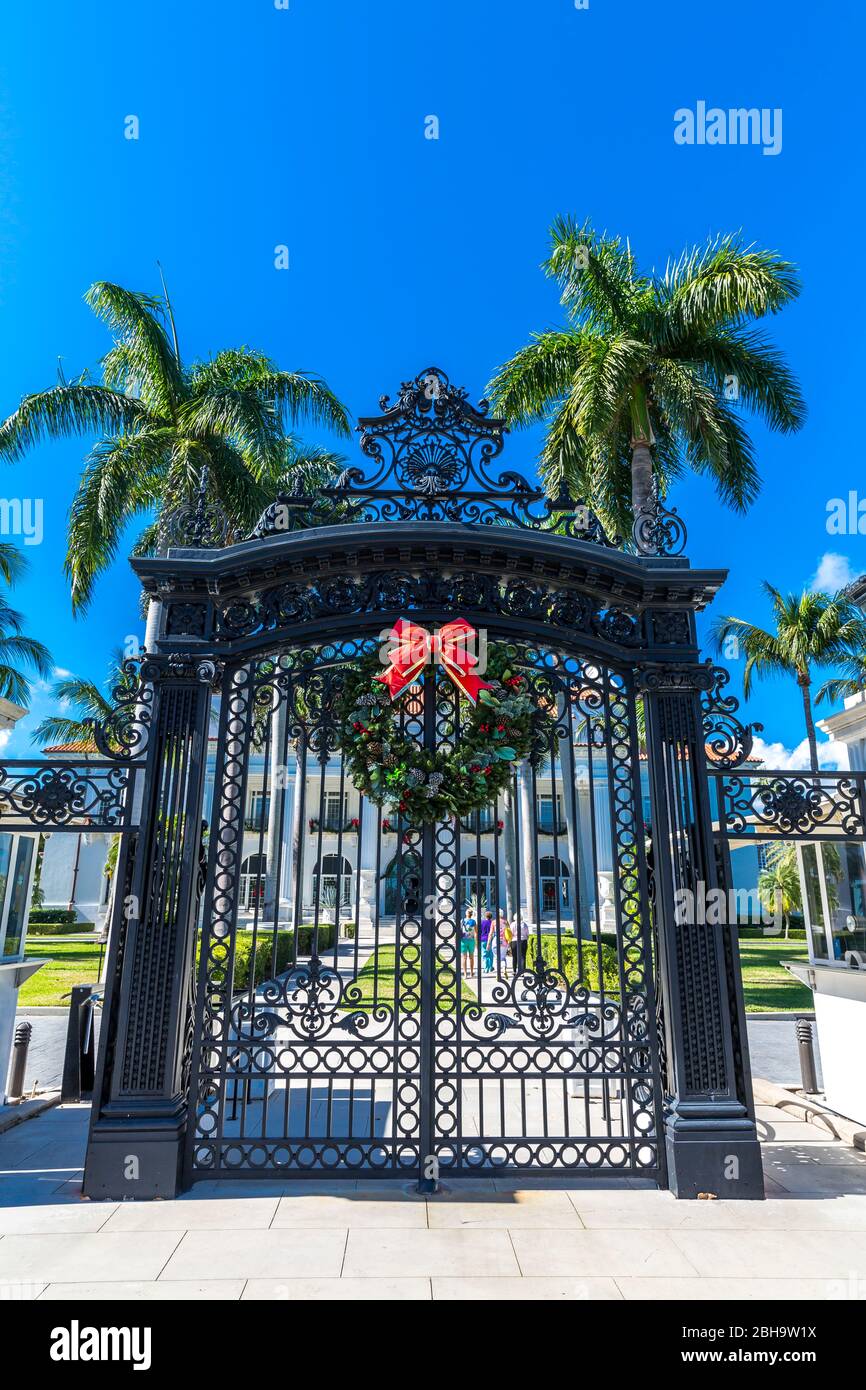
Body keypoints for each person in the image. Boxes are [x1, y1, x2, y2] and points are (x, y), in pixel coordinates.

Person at [460, 910, 477, 976]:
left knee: (464, 958)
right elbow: (476, 933)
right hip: (471, 940)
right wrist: (476, 942)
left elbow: (458, 930)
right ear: (471, 914)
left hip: (463, 940)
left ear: (466, 914)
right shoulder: (473, 921)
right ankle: (471, 972)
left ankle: (465, 973)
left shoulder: (462, 921)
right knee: (471, 957)